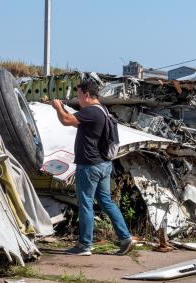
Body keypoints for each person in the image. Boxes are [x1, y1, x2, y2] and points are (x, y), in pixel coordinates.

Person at [51, 79, 136, 256]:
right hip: (104, 165)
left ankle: (84, 245)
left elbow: (66, 121)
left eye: (79, 94)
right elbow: (73, 121)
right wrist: (63, 110)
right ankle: (125, 238)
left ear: (87, 95)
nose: (78, 98)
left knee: (86, 205)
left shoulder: (90, 111)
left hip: (89, 166)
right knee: (106, 202)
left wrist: (57, 107)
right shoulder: (102, 110)